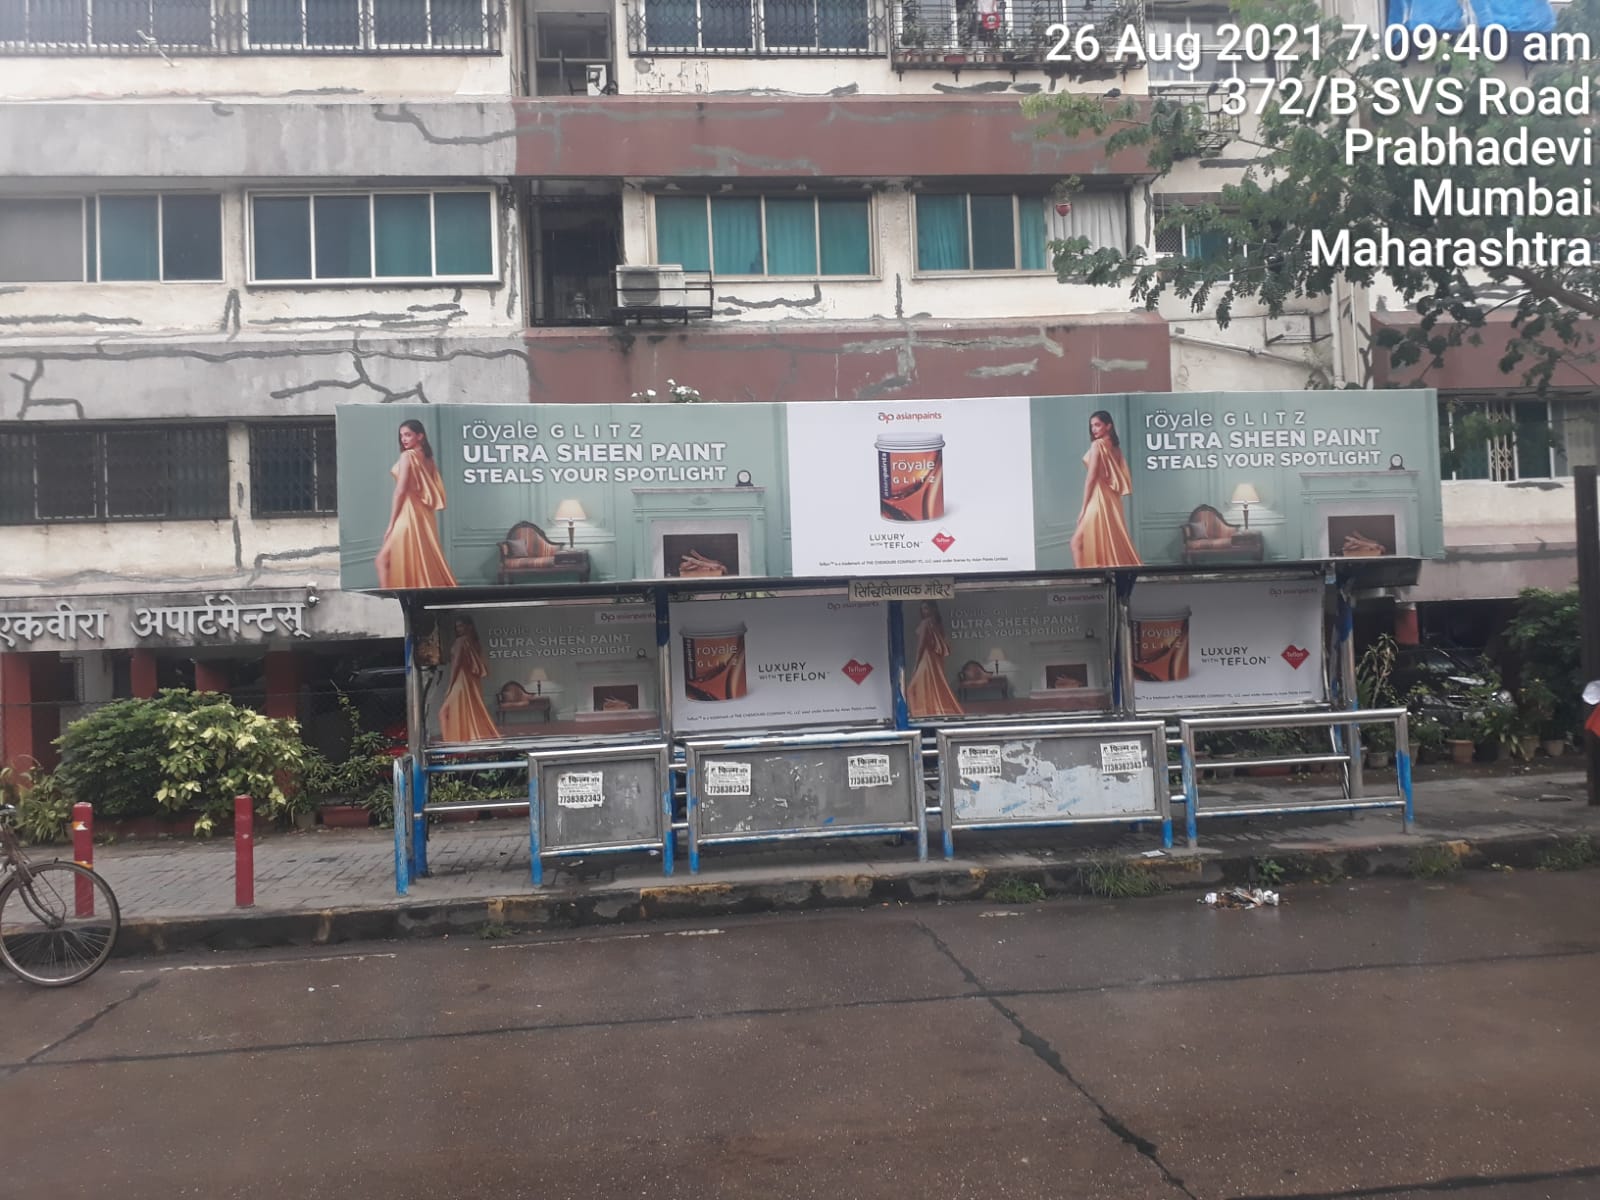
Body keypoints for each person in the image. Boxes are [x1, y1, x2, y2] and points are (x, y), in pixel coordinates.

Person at [375, 419, 458, 589]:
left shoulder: (408, 456)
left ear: (420, 436)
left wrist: (391, 524)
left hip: (409, 513)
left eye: (408, 435)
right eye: (401, 436)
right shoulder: (428, 459)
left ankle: (389, 600)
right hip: (424, 515)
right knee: (415, 559)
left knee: (382, 560)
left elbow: (400, 491)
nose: (404, 439)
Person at [1069, 410, 1142, 568]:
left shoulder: (1098, 445)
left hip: (1098, 499)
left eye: (1097, 425)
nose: (1094, 429)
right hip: (1112, 501)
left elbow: (1092, 477)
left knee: (1076, 543)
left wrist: (1083, 508)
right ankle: (1093, 578)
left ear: (1108, 426)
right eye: (1092, 426)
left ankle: (1082, 580)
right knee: (1103, 543)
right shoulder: (1116, 448)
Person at [438, 616, 500, 743]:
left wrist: (450, 686)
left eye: (461, 626)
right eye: (457, 627)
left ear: (469, 626)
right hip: (470, 682)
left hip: (460, 682)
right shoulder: (473, 642)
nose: (458, 629)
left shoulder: (461, 641)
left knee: (444, 713)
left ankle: (449, 743)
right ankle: (459, 739)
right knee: (467, 711)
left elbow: (456, 664)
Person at [905, 600, 963, 719]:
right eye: (922, 609)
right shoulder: (936, 623)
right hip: (935, 660)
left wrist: (916, 665)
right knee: (932, 687)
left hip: (926, 660)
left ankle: (919, 715)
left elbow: (921, 646)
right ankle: (928, 713)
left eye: (926, 608)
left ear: (933, 609)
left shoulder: (926, 623)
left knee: (912, 689)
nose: (923, 611)